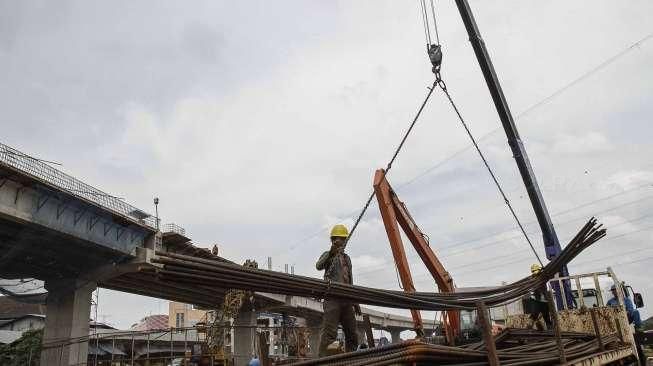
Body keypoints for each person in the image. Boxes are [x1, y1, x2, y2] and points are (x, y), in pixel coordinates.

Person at [316, 224, 360, 356]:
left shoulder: (347, 259)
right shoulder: (328, 255)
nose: (340, 242)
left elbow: (350, 282)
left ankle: (351, 359)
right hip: (332, 300)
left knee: (352, 334)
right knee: (329, 334)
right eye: (337, 239)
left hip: (347, 300)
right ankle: (323, 360)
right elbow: (318, 266)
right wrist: (331, 252)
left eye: (343, 239)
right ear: (333, 240)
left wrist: (355, 302)